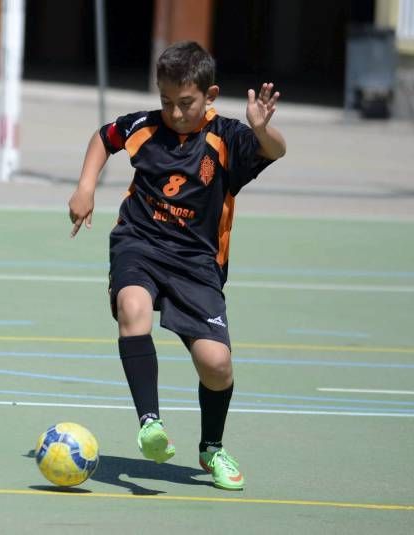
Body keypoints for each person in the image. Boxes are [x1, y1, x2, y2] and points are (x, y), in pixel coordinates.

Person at [68, 41, 285, 491]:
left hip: (196, 263)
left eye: (185, 103)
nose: (174, 112)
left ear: (209, 96)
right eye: (166, 101)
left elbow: (276, 151)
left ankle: (211, 448)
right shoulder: (145, 127)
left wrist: (262, 129)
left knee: (217, 364)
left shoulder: (227, 138)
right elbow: (103, 138)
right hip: (140, 243)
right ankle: (150, 423)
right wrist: (85, 187)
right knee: (133, 307)